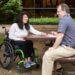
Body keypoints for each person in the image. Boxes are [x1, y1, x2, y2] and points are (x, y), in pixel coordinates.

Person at [42, 3, 75, 75]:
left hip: (69, 48)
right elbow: (64, 34)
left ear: (64, 11)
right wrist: (56, 34)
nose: (57, 13)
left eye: (58, 11)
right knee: (48, 49)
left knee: (47, 55)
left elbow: (60, 37)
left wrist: (53, 47)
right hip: (71, 47)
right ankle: (57, 68)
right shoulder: (69, 18)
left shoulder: (63, 20)